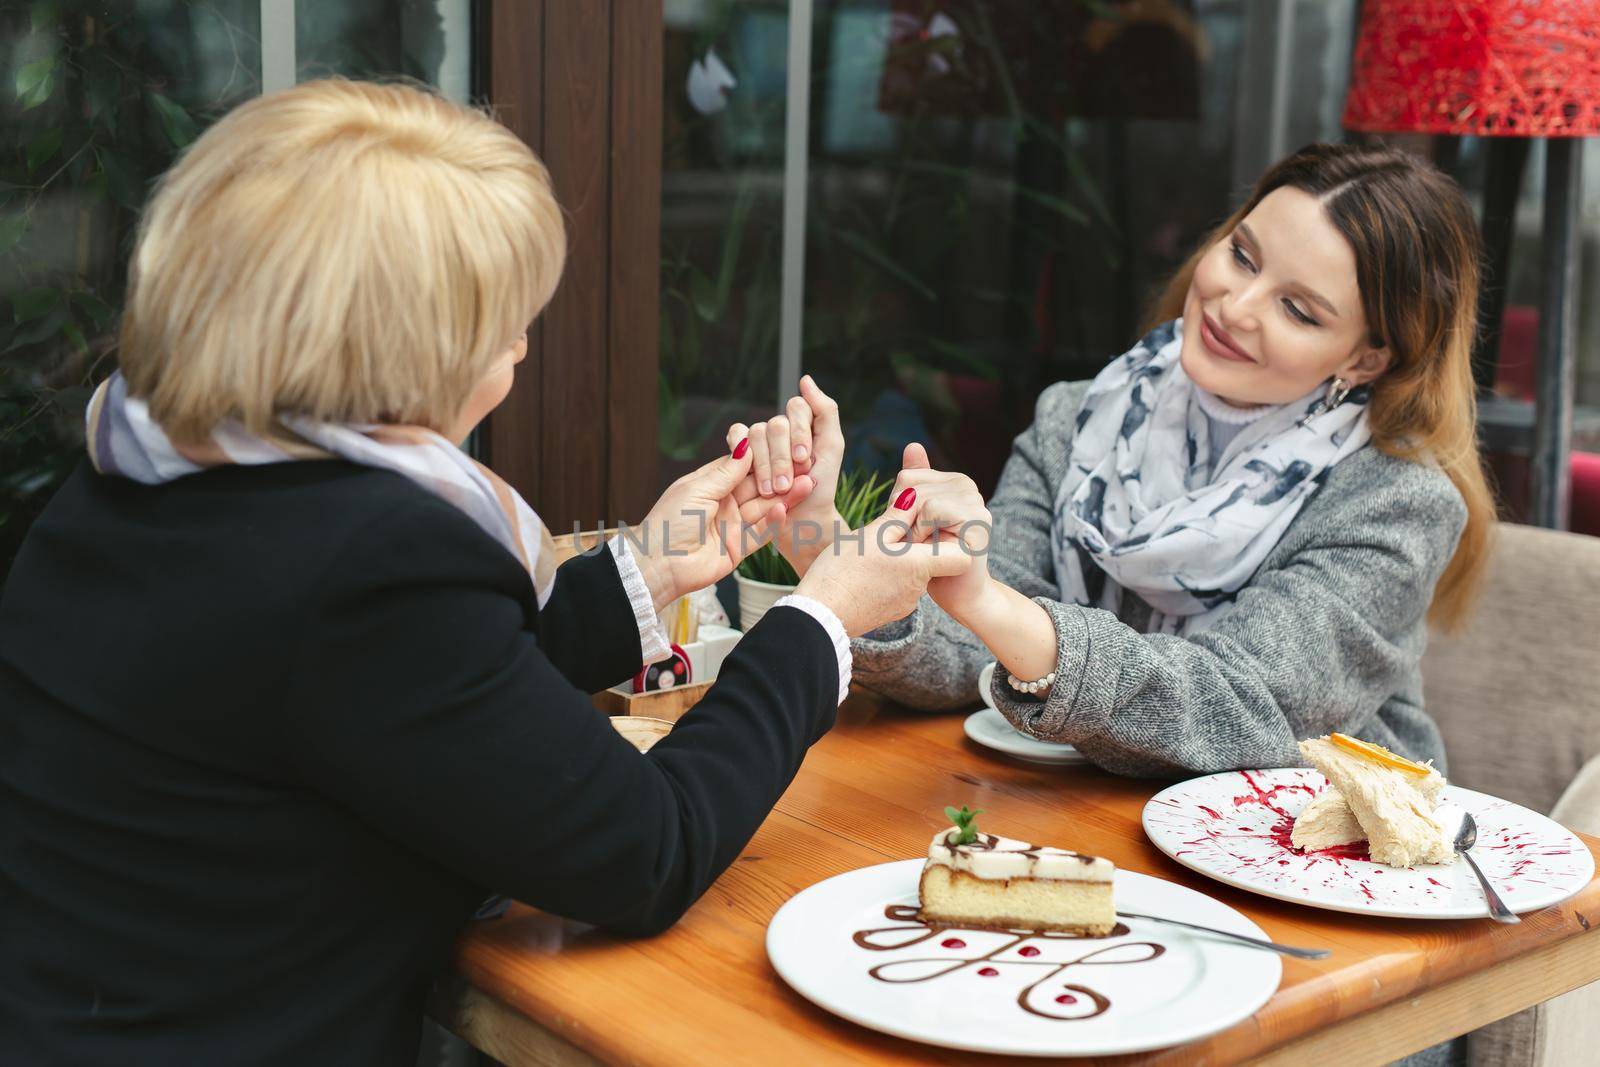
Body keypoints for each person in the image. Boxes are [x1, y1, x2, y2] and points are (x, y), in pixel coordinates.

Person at [0, 79, 968, 1065]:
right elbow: (643, 851)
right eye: (502, 322)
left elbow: (390, 700)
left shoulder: (139, 476)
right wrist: (820, 618)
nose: (518, 345)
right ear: (393, 356)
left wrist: (641, 571)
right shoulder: (365, 559)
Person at [739, 143, 1493, 779]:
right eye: (1242, 255)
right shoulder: (1079, 417)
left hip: (1322, 871)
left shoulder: (1394, 499)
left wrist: (995, 604)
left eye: (1298, 309)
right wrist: (823, 548)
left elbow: (1246, 706)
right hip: (1085, 820)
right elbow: (974, 650)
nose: (1235, 305)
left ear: (1367, 356)